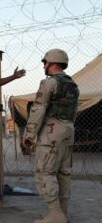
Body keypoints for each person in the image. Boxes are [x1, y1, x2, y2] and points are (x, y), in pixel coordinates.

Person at [22, 49, 79, 223]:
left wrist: (29, 135)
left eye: (45, 63)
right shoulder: (73, 85)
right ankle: (62, 213)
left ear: (52, 62)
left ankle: (55, 213)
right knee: (64, 174)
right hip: (68, 131)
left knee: (45, 172)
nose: (44, 66)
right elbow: (74, 111)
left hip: (50, 133)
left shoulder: (49, 83)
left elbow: (38, 110)